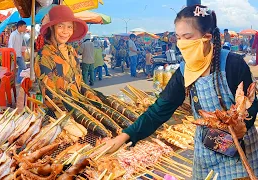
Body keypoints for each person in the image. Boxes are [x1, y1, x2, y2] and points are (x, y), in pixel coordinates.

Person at [97, 5, 258, 179]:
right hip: (206, 153)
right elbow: (158, 111)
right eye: (178, 37)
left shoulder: (232, 64)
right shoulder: (184, 71)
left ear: (207, 37)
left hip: (240, 156)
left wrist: (241, 127)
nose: (181, 43)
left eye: (187, 37)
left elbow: (251, 104)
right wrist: (125, 136)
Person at [34, 5, 88, 110]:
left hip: (80, 109)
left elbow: (80, 82)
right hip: (60, 116)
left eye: (69, 27)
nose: (65, 31)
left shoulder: (71, 51)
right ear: (51, 27)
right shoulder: (44, 55)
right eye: (60, 26)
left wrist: (89, 94)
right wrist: (72, 114)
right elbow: (50, 97)